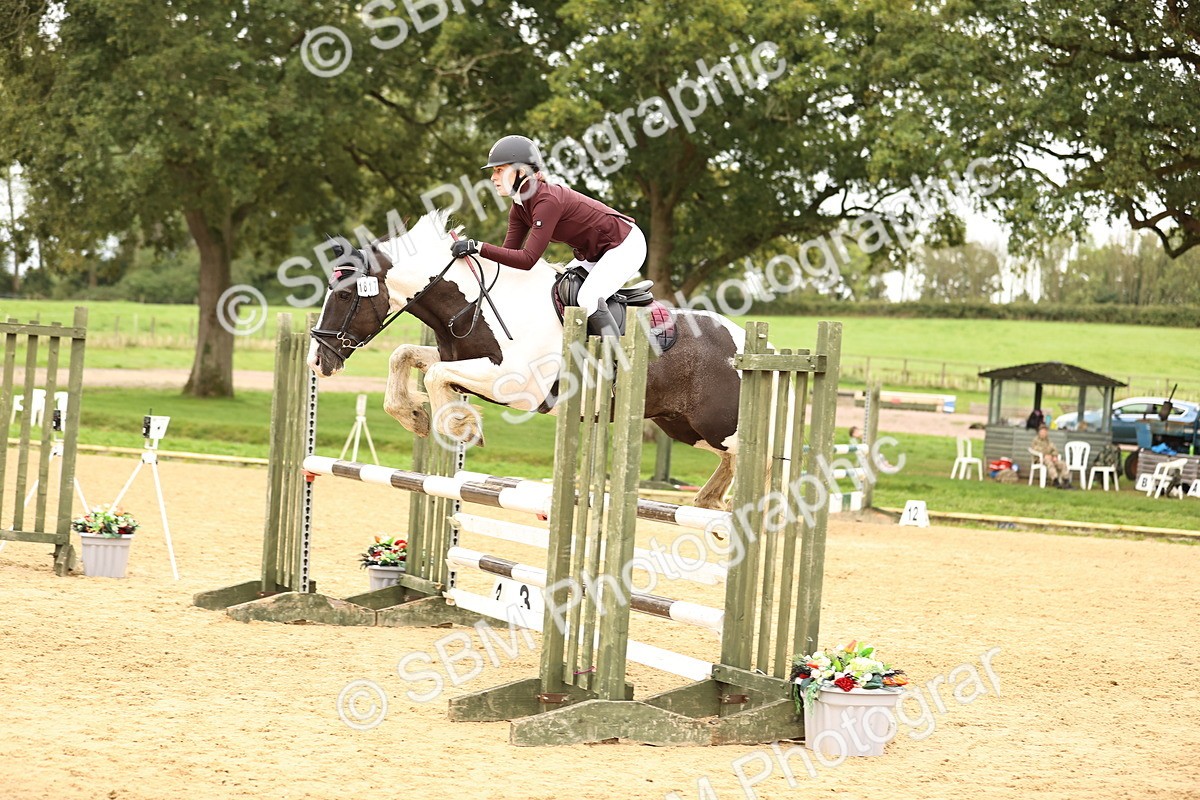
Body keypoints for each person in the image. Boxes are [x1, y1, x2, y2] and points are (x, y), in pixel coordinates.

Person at [449, 135, 647, 338]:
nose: (493, 178)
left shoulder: (547, 201)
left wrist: (479, 246)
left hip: (625, 245)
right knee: (554, 291)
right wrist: (474, 257)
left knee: (588, 298)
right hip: (595, 255)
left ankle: (617, 362)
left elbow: (527, 260)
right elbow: (508, 258)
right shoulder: (519, 207)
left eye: (499, 170)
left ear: (521, 171)